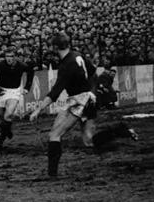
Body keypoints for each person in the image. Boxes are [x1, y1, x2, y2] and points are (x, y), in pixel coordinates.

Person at [29, 32, 138, 178]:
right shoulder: (77, 55)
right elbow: (93, 72)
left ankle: (52, 175)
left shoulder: (66, 65)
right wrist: (92, 91)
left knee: (54, 135)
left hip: (79, 101)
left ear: (55, 47)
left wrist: (38, 109)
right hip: (86, 98)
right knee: (88, 140)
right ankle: (121, 130)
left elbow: (55, 93)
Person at [0, 48, 34, 147]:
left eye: (11, 56)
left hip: (14, 91)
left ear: (15, 57)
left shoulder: (21, 65)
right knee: (0, 120)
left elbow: (31, 72)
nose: (9, 58)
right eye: (7, 56)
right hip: (1, 91)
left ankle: (1, 139)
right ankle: (7, 130)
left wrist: (27, 87)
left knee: (7, 115)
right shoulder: (0, 66)